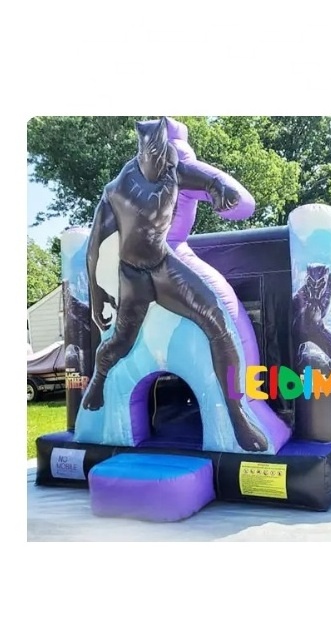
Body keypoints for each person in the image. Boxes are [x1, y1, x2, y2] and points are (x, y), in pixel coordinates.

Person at [82, 116, 268, 452]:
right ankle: (99, 378)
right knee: (121, 342)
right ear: (142, 153)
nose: (164, 163)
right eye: (156, 156)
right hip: (133, 275)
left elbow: (204, 180)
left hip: (163, 265)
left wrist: (219, 188)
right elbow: (95, 248)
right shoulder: (117, 192)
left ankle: (236, 411)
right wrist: (97, 297)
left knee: (217, 321)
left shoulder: (173, 170)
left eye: (166, 157)